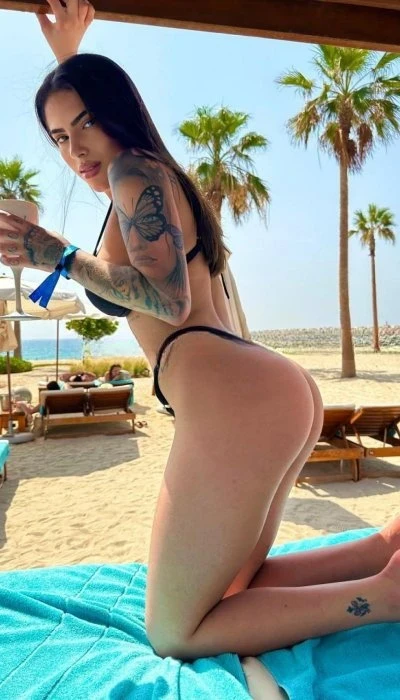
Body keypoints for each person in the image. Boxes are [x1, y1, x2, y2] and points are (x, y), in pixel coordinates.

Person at [0, 0, 398, 661]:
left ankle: (382, 597)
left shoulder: (134, 171)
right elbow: (143, 243)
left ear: (118, 114)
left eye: (86, 123)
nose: (75, 149)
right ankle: (385, 550)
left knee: (174, 631)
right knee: (235, 589)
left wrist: (58, 256)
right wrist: (70, 56)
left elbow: (167, 299)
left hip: (234, 398)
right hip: (262, 389)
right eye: (60, 137)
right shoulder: (147, 176)